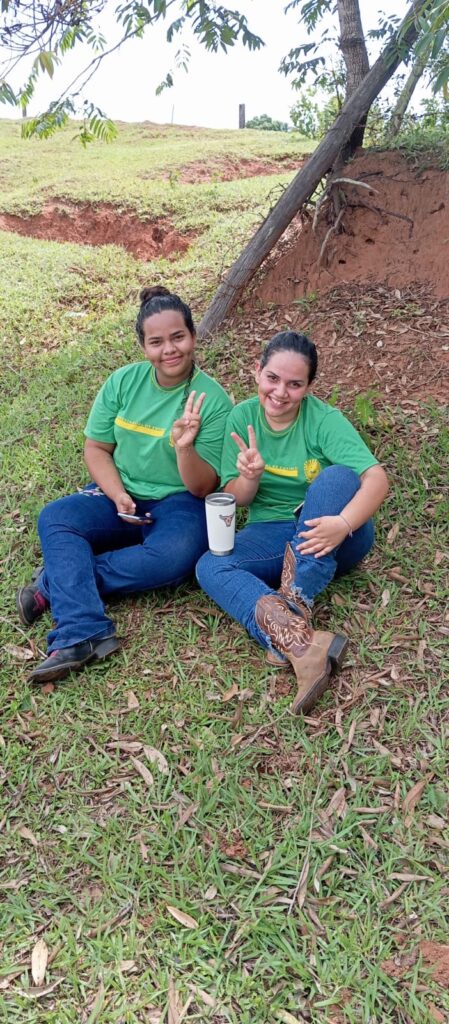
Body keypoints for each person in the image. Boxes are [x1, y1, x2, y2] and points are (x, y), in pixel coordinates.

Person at [17, 286, 232, 684]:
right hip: (121, 491)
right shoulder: (122, 383)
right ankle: (84, 632)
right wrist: (117, 494)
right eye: (156, 342)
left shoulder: (213, 401)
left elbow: (205, 488)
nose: (169, 349)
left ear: (193, 337)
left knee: (174, 559)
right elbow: (97, 448)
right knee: (57, 517)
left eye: (178, 337)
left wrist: (184, 448)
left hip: (179, 501)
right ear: (143, 346)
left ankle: (55, 581)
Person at [196, 330, 389, 715]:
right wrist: (248, 477)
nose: (281, 392)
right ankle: (302, 645)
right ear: (257, 372)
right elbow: (236, 498)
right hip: (273, 532)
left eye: (294, 384)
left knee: (337, 478)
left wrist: (344, 523)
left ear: (309, 387)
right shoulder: (242, 416)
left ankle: (295, 604)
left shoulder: (323, 420)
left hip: (336, 533)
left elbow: (376, 479)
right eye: (273, 378)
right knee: (209, 564)